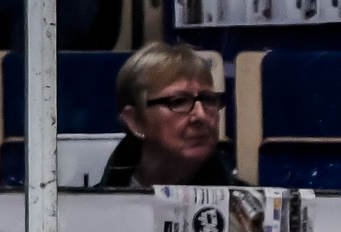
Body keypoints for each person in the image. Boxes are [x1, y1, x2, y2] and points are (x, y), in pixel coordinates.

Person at [99, 43, 242, 190]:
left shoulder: (248, 208)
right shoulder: (92, 208)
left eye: (208, 99)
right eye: (179, 101)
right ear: (136, 121)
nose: (201, 115)